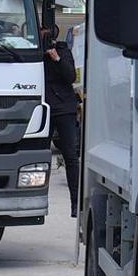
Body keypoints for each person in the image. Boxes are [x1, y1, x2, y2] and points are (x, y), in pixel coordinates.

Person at [42, 24, 81, 216]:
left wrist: (56, 58)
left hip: (64, 108)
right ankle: (38, 200)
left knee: (70, 156)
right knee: (40, 156)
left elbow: (71, 76)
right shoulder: (34, 52)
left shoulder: (63, 51)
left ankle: (75, 203)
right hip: (43, 107)